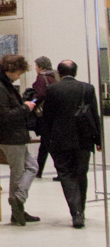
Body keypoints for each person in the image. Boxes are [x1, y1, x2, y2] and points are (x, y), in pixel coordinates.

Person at [42, 60, 102, 228]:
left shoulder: (52, 89)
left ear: (59, 73)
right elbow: (94, 114)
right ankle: (81, 209)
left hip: (60, 139)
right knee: (81, 174)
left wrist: (47, 140)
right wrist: (98, 139)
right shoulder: (87, 88)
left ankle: (76, 212)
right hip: (84, 138)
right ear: (75, 72)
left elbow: (48, 117)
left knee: (66, 175)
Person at [0, 53, 40, 226]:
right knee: (18, 172)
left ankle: (18, 203)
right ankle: (18, 203)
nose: (18, 76)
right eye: (18, 73)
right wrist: (26, 108)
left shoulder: (2, 83)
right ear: (10, 69)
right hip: (10, 136)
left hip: (15, 134)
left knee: (31, 167)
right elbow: (5, 115)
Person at [31, 56, 58, 179]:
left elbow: (40, 94)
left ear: (41, 67)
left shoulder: (41, 77)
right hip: (56, 114)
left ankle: (61, 171)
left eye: (36, 66)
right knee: (45, 143)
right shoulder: (56, 76)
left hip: (44, 114)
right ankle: (39, 170)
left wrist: (32, 102)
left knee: (47, 142)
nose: (35, 68)